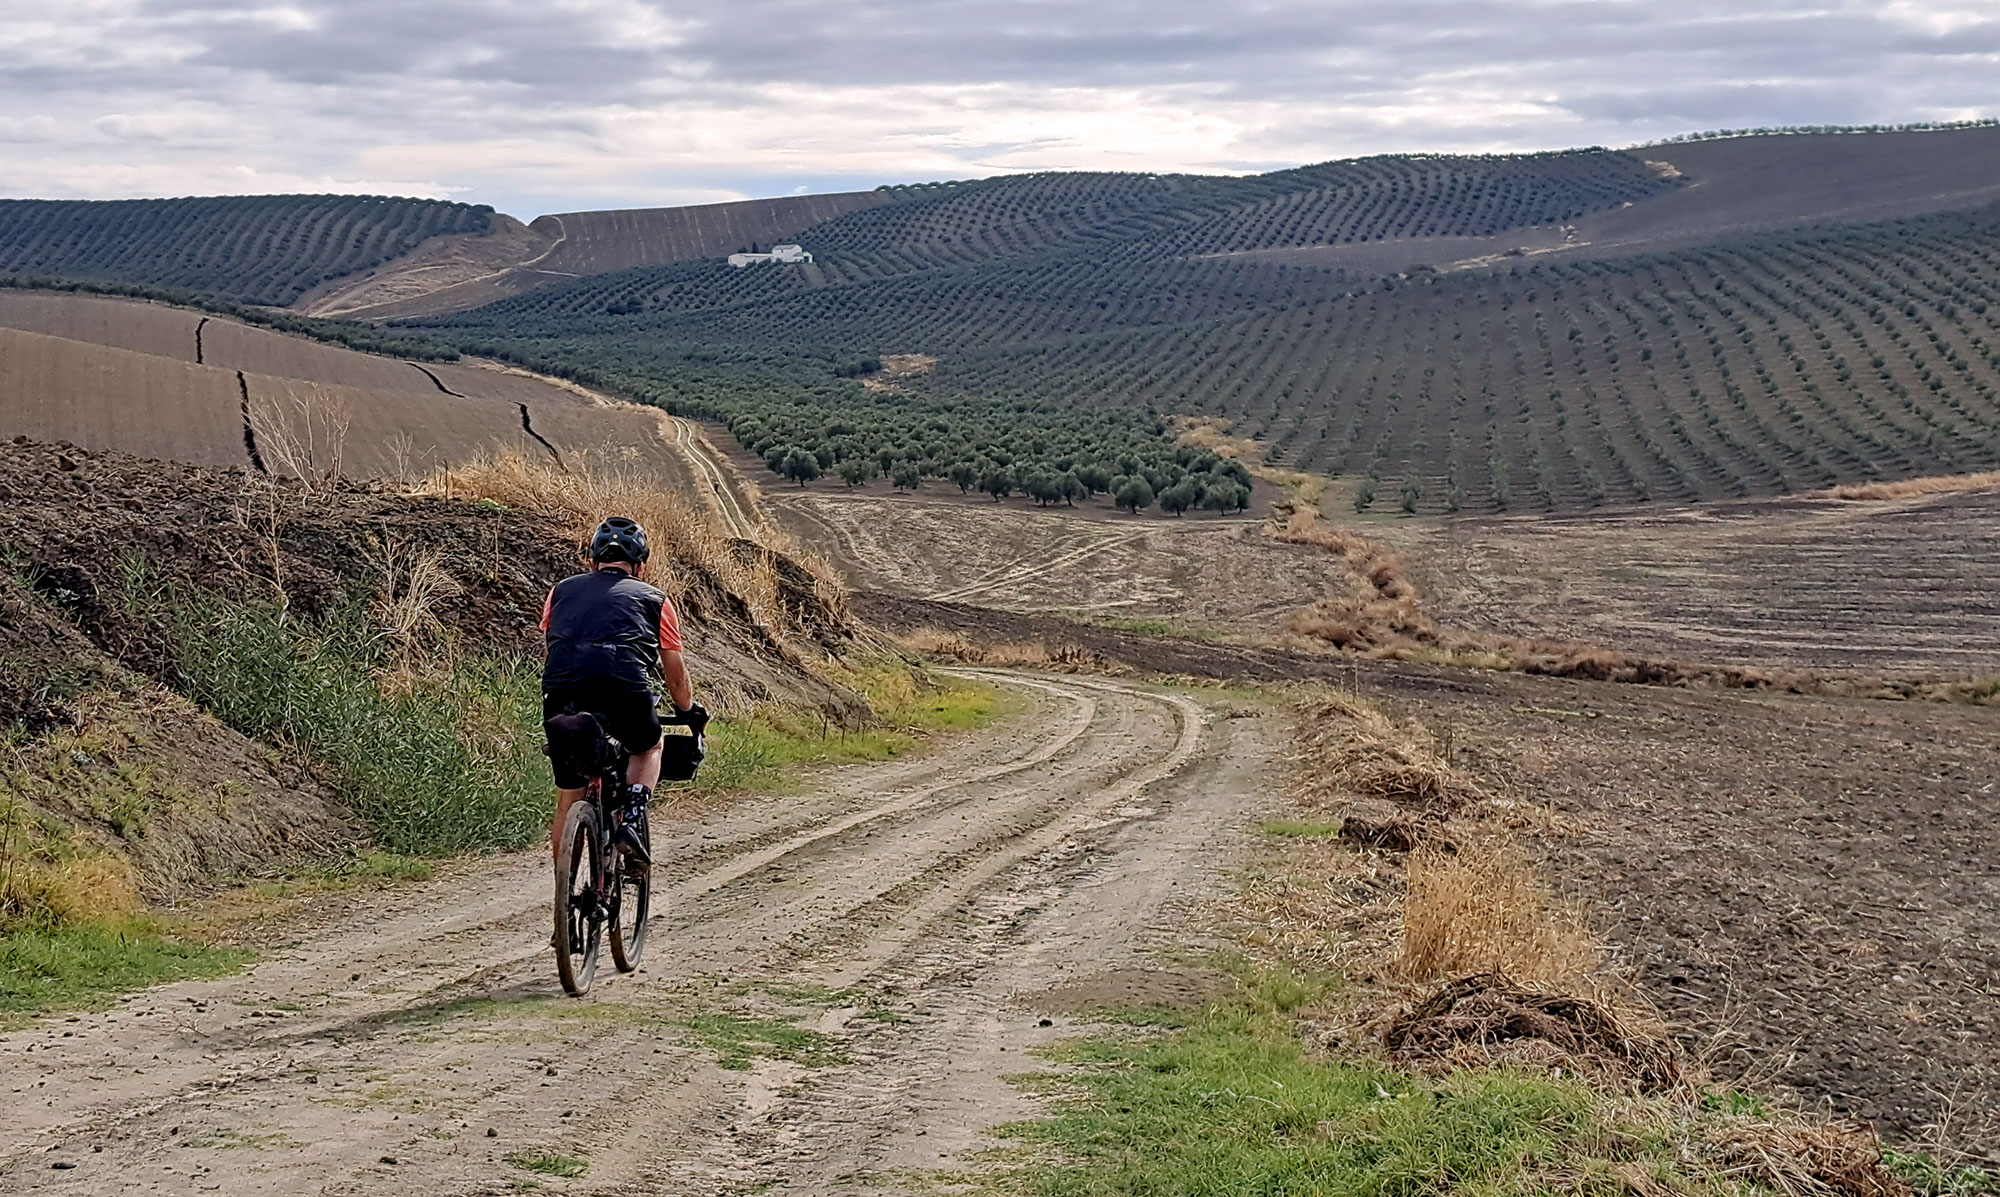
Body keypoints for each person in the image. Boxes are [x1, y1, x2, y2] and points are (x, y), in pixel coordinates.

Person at [541, 516, 697, 865]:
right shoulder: (656, 600)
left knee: (569, 796)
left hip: (561, 689)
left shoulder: (560, 591)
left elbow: (554, 645)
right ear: (639, 566)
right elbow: (674, 675)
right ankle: (631, 817)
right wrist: (687, 709)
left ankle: (564, 883)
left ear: (592, 560)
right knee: (649, 745)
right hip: (624, 687)